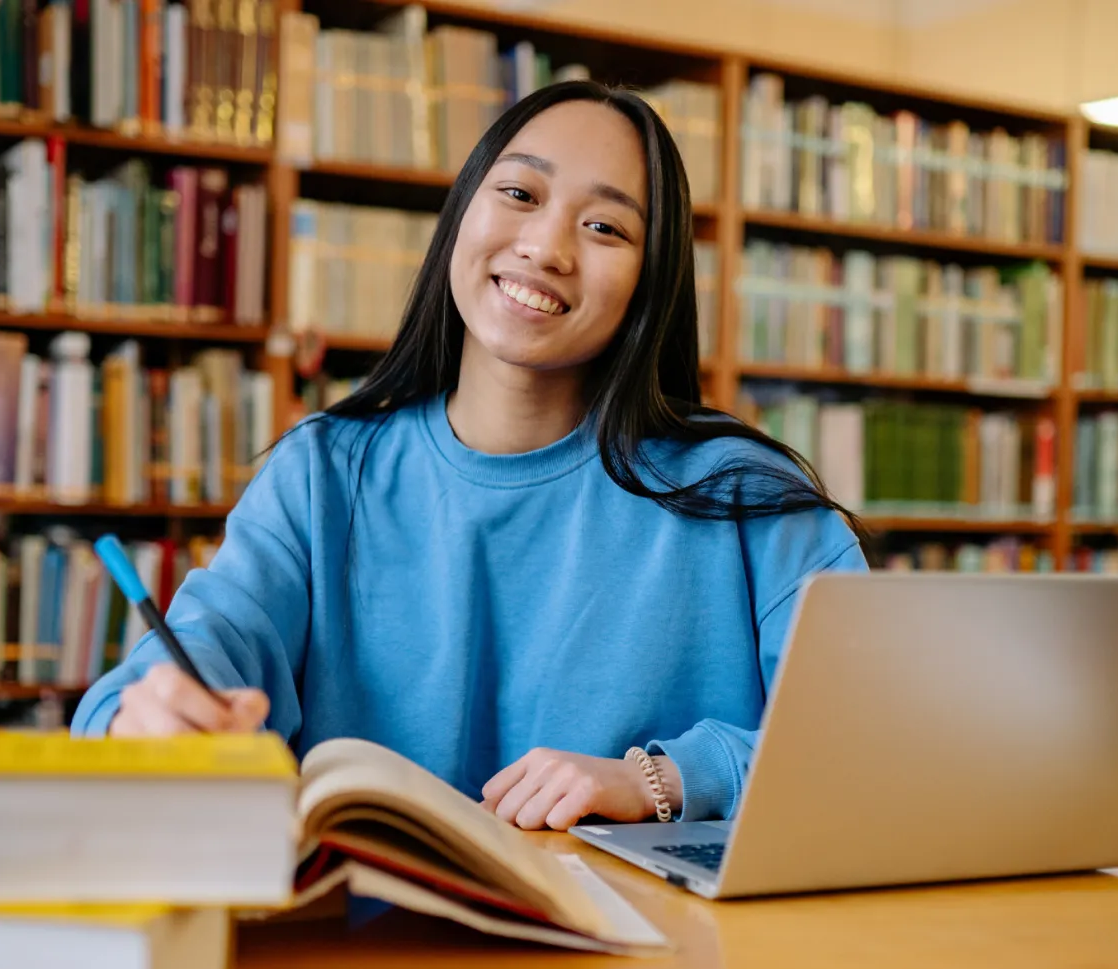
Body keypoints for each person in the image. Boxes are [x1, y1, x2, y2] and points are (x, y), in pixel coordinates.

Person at [72, 79, 868, 831]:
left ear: (650, 280)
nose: (547, 247)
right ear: (461, 215)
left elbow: (873, 746)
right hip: (367, 962)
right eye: (520, 194)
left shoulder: (749, 497)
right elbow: (215, 638)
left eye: (605, 227)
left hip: (660, 967)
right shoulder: (320, 476)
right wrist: (149, 710)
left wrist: (662, 779)